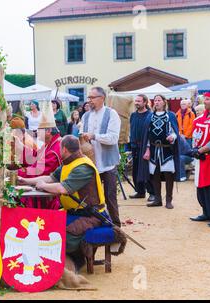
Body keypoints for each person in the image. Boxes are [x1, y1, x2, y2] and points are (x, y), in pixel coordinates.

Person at [19, 135, 124, 264]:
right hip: (74, 212)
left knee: (60, 233)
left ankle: (76, 262)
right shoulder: (68, 163)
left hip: (92, 215)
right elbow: (50, 178)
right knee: (47, 224)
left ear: (64, 149)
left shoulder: (82, 167)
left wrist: (44, 186)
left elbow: (63, 188)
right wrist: (25, 180)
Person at [80, 87, 122, 227]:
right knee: (92, 198)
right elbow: (82, 135)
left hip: (107, 163)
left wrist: (94, 136)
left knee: (110, 198)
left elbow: (113, 138)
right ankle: (96, 225)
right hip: (91, 164)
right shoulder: (85, 116)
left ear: (102, 98)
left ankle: (116, 227)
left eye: (92, 97)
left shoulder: (112, 114)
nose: (89, 101)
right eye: (89, 98)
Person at [139, 95, 180, 209]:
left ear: (164, 102)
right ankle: (157, 199)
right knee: (155, 175)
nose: (156, 102)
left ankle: (168, 200)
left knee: (168, 175)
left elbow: (175, 131)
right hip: (153, 150)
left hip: (166, 150)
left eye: (159, 100)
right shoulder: (150, 117)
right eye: (155, 100)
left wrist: (172, 137)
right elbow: (147, 135)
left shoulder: (170, 115)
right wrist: (147, 149)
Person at [190, 89, 210, 227]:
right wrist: (195, 149)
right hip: (201, 158)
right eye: (204, 99)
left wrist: (200, 150)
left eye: (207, 99)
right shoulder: (200, 119)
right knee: (201, 187)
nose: (204, 101)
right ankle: (207, 212)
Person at [18, 102, 62, 179]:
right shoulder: (49, 144)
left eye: (39, 129)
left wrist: (16, 173)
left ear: (48, 131)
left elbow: (39, 171)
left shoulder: (55, 149)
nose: (37, 131)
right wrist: (21, 147)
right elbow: (35, 156)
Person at [129, 94, 155, 201]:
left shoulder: (150, 115)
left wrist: (148, 148)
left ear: (145, 102)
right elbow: (131, 130)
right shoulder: (133, 115)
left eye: (139, 101)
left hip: (145, 147)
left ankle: (152, 193)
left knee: (146, 171)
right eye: (136, 101)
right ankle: (140, 191)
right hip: (135, 146)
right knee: (135, 171)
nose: (136, 103)